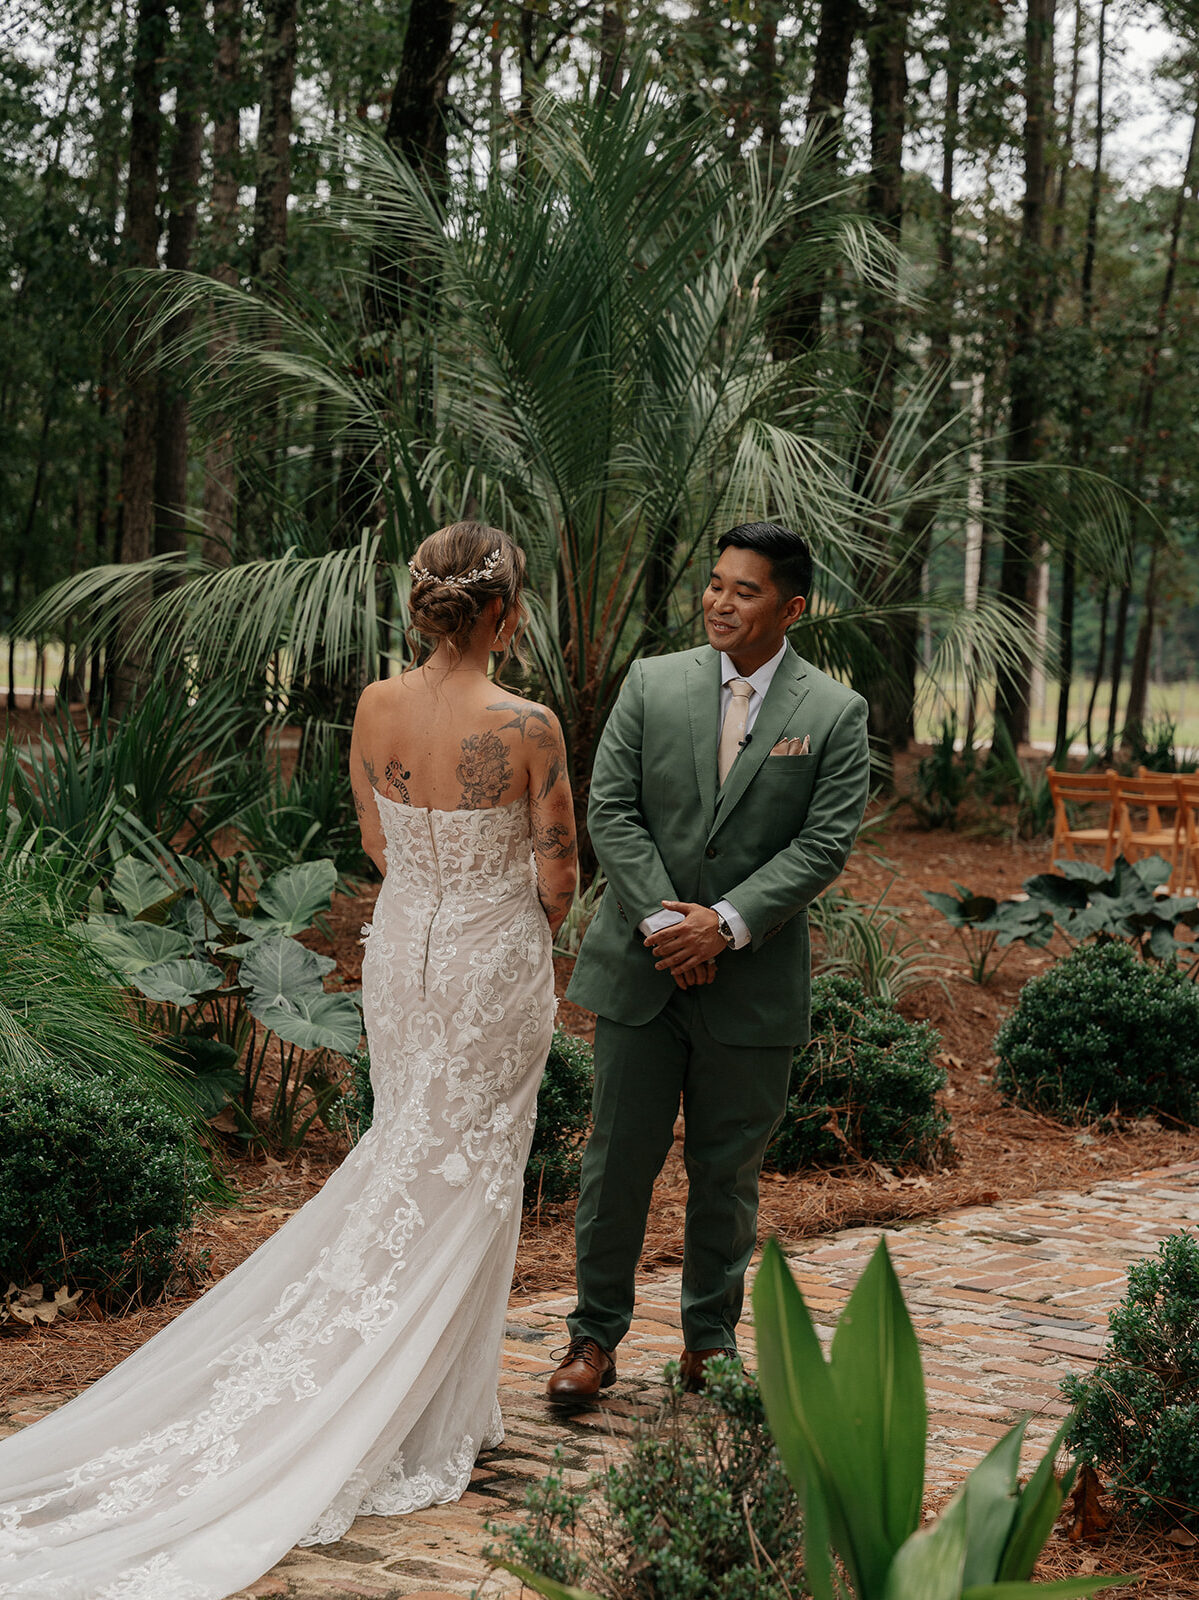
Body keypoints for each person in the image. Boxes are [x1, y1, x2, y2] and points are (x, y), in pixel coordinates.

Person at [0, 522, 577, 1600]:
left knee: (411, 1158)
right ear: (504, 611)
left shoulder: (374, 704)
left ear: (426, 605)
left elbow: (373, 837)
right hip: (490, 963)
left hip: (402, 955)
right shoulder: (528, 723)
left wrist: (434, 889)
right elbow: (557, 872)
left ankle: (438, 1397)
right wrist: (517, 922)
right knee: (467, 1177)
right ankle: (411, 1409)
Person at [547, 520, 869, 1401]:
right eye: (715, 583)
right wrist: (668, 925)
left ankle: (708, 1345)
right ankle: (591, 1341)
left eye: (744, 589)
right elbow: (610, 809)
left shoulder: (835, 712)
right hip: (641, 971)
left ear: (791, 607)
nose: (719, 601)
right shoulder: (651, 684)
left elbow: (823, 844)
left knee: (726, 1177)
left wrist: (723, 925)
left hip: (752, 984)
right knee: (614, 1166)